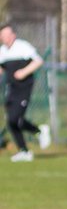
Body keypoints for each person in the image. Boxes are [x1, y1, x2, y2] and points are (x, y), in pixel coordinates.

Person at [0, 24, 44, 162]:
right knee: (11, 121)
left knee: (15, 118)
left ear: (13, 35)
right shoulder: (2, 51)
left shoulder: (23, 46)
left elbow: (38, 61)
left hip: (24, 88)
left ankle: (38, 131)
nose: (4, 38)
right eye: (2, 35)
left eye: (6, 35)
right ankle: (24, 151)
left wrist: (24, 72)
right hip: (11, 89)